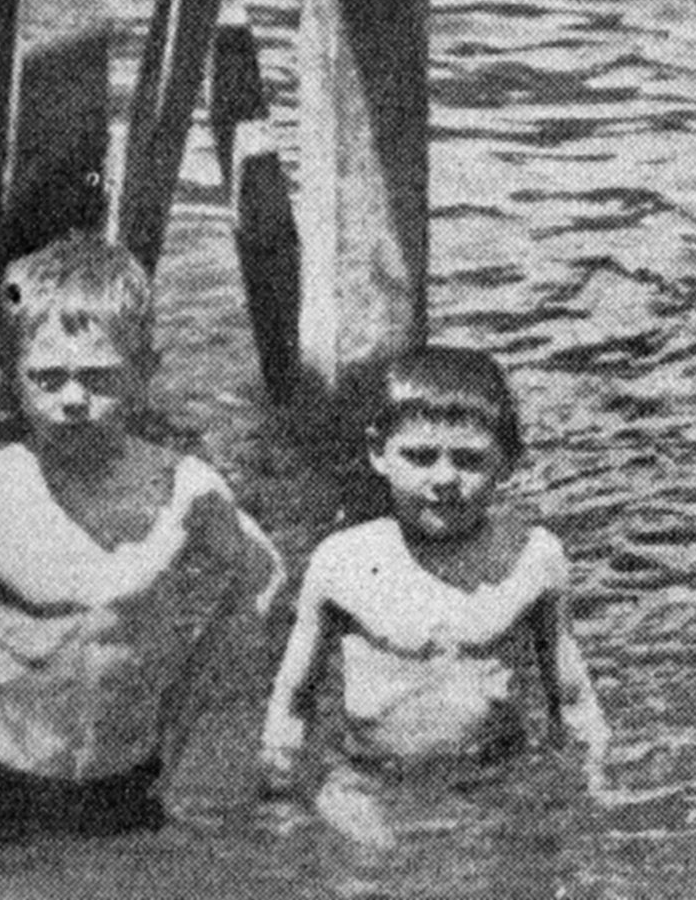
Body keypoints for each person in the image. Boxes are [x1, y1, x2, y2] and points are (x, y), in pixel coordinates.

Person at [0, 233, 284, 850]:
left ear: (146, 372)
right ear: (14, 376)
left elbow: (263, 578)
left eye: (99, 378)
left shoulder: (186, 490)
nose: (72, 400)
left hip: (129, 777)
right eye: (48, 378)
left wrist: (187, 706)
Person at [259, 347, 610, 838]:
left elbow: (571, 696)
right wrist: (279, 796)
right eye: (420, 456)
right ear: (378, 453)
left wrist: (588, 786)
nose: (444, 478)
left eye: (469, 460)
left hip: (495, 774)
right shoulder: (342, 561)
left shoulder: (533, 558)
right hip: (371, 777)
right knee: (367, 873)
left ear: (508, 462)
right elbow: (293, 698)